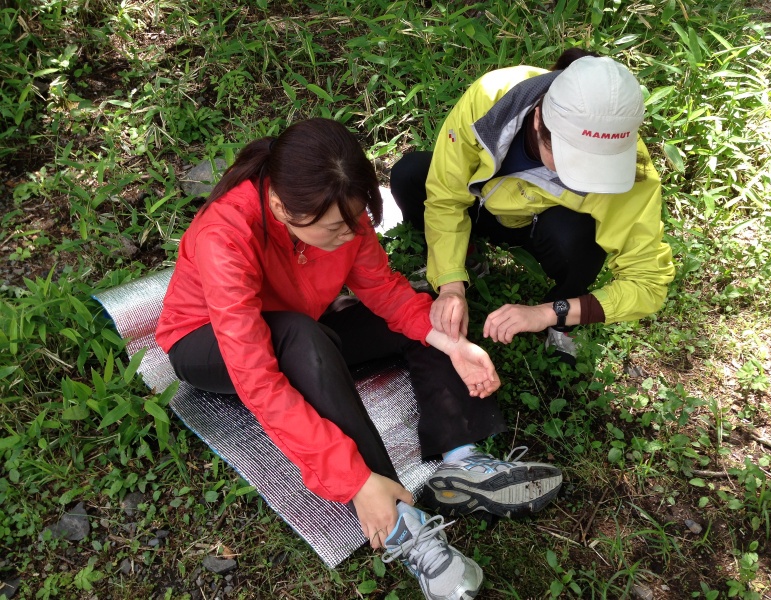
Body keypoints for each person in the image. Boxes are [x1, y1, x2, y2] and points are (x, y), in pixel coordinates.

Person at [155, 118, 562, 599]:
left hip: (304, 323)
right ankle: (399, 521)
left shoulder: (339, 208)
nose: (349, 236)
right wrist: (354, 480)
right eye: (334, 229)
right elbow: (258, 380)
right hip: (207, 343)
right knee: (300, 337)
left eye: (357, 221)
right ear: (282, 209)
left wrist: (454, 345)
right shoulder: (224, 235)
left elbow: (384, 291)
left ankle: (462, 460)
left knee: (425, 317)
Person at [390, 50, 676, 365]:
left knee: (581, 239)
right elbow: (446, 196)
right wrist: (450, 287)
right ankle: (466, 260)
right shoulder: (493, 95)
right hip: (481, 206)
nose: (582, 177)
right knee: (411, 174)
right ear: (538, 119)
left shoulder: (631, 168)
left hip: (538, 226)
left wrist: (547, 313)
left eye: (598, 167)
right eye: (570, 160)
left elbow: (648, 282)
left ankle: (561, 319)